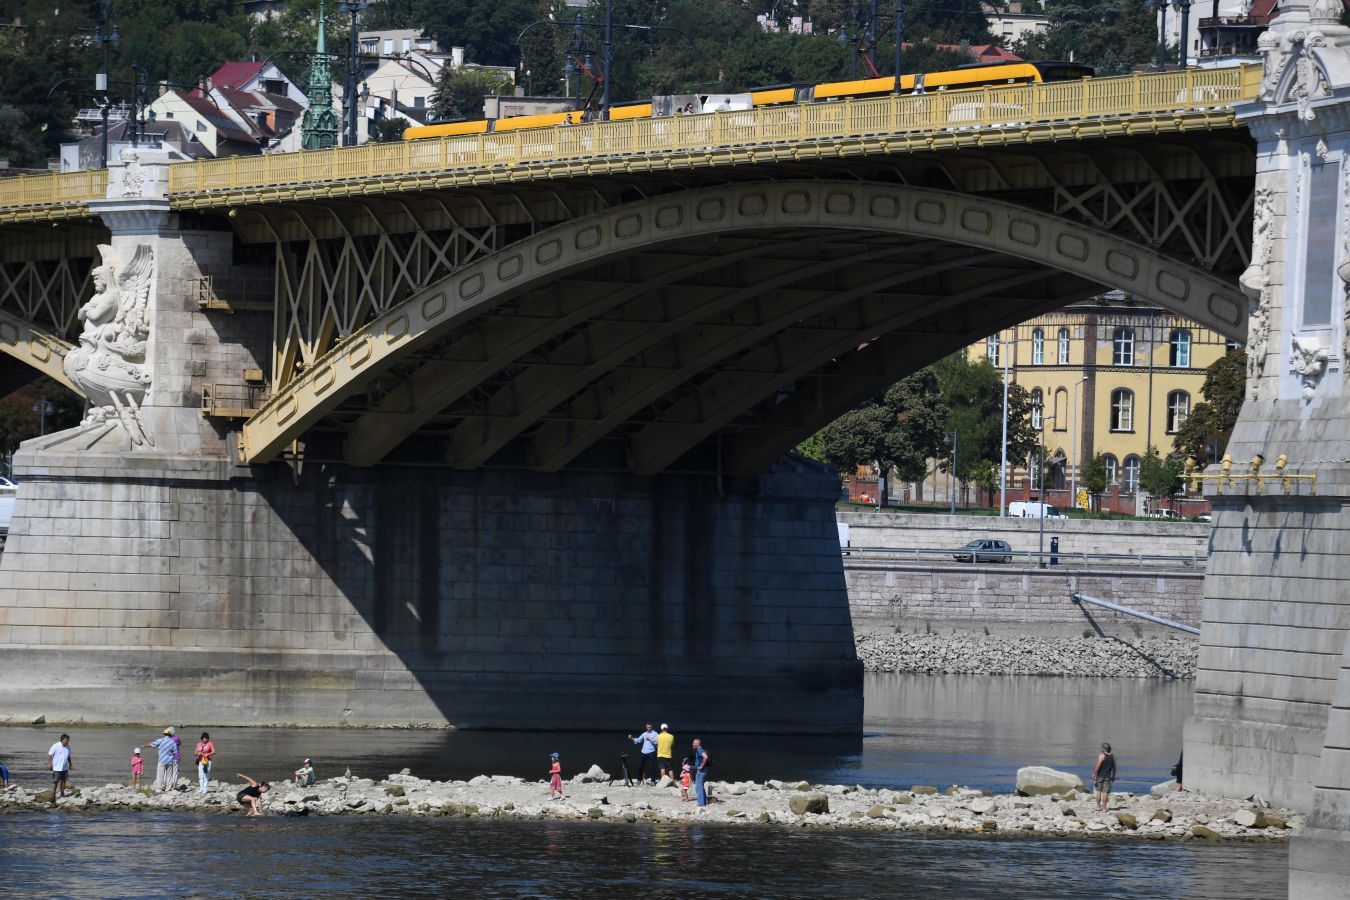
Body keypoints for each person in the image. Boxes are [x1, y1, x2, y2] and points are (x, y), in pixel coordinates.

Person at [47, 734, 72, 804]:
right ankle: (53, 794)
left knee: (64, 781)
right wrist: (49, 764)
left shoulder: (68, 747)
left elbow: (68, 756)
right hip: (56, 768)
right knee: (55, 781)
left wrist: (70, 764)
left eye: (68, 740)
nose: (68, 741)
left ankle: (62, 793)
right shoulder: (56, 745)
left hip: (64, 768)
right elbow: (49, 754)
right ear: (62, 740)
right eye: (67, 740)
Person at [1093, 742, 1117, 812]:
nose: (1101, 749)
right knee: (1105, 792)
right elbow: (1114, 767)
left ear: (1104, 749)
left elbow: (1098, 766)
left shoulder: (1101, 755)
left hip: (1100, 775)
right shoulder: (1113, 756)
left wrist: (1094, 773)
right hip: (1108, 776)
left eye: (1102, 748)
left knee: (1098, 791)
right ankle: (1104, 808)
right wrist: (1114, 776)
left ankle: (1098, 807)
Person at [692, 738, 711, 808]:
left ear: (698, 744)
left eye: (694, 743)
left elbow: (705, 757)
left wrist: (701, 766)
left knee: (698, 787)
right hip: (703, 770)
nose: (692, 744)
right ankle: (705, 801)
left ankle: (701, 803)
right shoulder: (700, 750)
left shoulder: (699, 750)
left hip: (701, 771)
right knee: (701, 786)